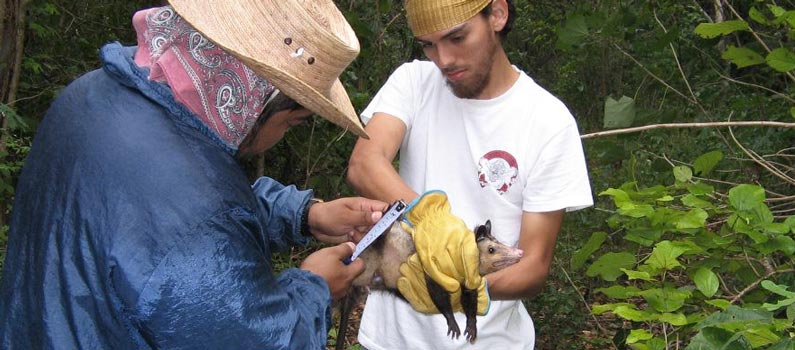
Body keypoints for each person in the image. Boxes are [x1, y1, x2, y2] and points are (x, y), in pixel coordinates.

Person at [0, 1, 387, 349]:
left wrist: (305, 215)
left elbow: (162, 209)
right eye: (292, 123)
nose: (283, 135)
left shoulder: (93, 95)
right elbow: (261, 339)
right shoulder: (197, 224)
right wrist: (313, 289)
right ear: (256, 102)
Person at [347, 0, 594, 348]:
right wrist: (430, 221)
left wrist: (456, 283)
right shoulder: (414, 82)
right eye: (429, 45)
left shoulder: (548, 122)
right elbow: (365, 163)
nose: (443, 59)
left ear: (497, 15)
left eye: (457, 38)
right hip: (392, 340)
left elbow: (534, 265)